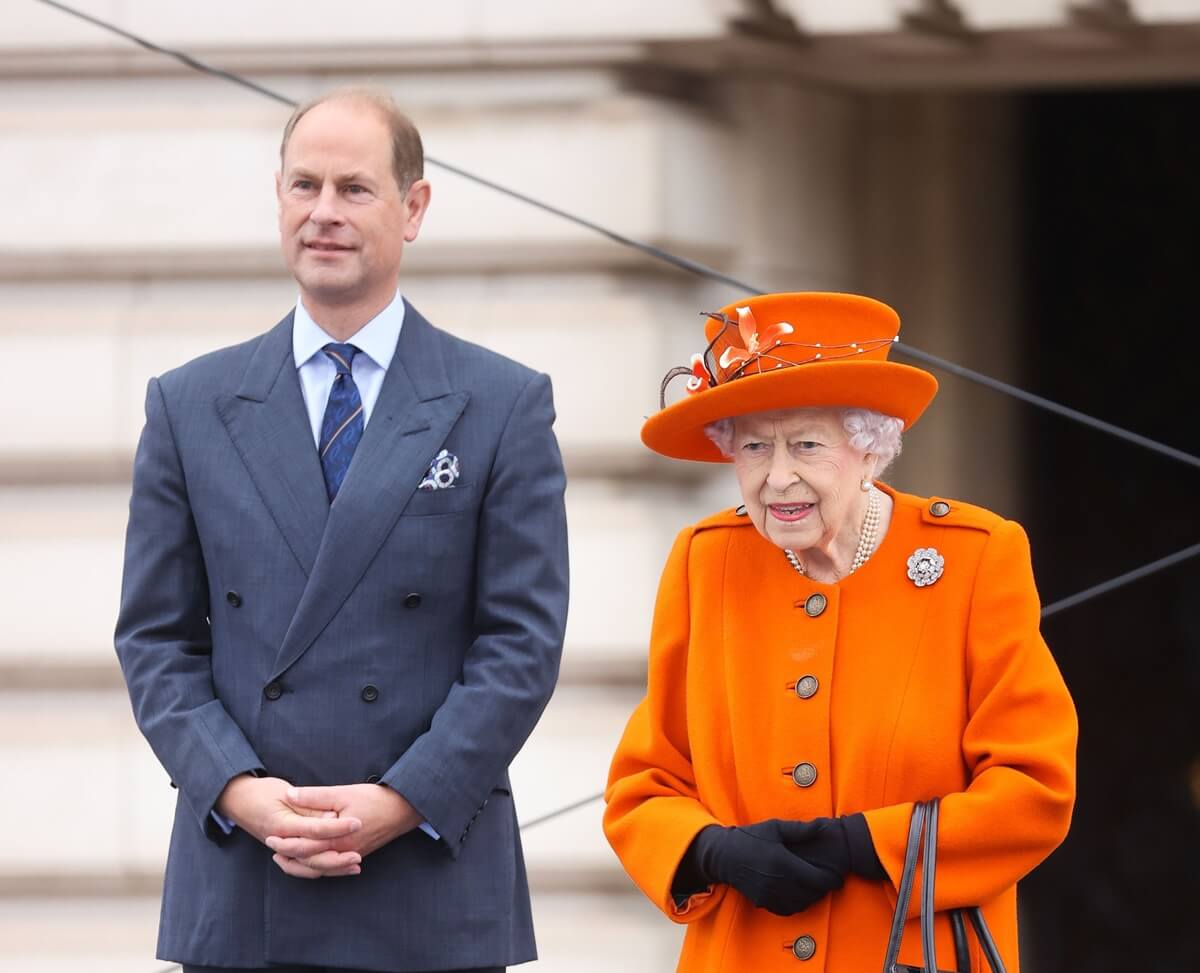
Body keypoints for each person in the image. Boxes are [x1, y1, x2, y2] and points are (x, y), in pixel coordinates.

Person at [115, 87, 569, 973]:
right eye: (304, 186)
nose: (324, 212)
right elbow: (156, 640)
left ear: (415, 207)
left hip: (430, 881)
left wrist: (402, 797)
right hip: (246, 882)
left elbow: (521, 644)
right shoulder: (188, 403)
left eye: (355, 189)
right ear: (278, 199)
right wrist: (241, 792)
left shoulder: (504, 402)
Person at [603, 292, 1077, 972]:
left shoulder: (975, 556)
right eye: (755, 446)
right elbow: (644, 783)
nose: (777, 477)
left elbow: (1035, 786)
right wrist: (713, 850)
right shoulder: (707, 560)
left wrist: (866, 843)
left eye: (806, 444)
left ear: (870, 449)